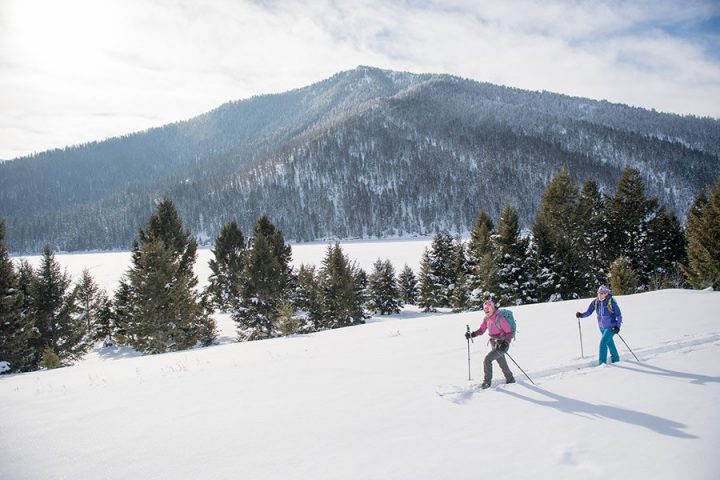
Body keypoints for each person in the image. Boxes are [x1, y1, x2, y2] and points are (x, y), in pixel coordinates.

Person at [465, 299, 515, 389]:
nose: (486, 310)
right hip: (494, 343)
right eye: (485, 309)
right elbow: (481, 330)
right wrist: (472, 334)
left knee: (488, 359)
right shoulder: (486, 319)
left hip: (502, 344)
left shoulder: (500, 318)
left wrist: (506, 343)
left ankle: (487, 383)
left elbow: (509, 332)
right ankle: (510, 379)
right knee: (501, 361)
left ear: (492, 308)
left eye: (488, 308)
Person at [576, 285, 623, 365]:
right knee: (609, 343)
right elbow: (589, 312)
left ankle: (602, 363)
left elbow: (619, 316)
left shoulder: (611, 302)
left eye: (602, 293)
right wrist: (581, 315)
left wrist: (617, 327)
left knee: (603, 343)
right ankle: (616, 359)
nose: (600, 295)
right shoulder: (596, 302)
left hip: (611, 327)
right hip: (601, 327)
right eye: (598, 293)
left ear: (606, 294)